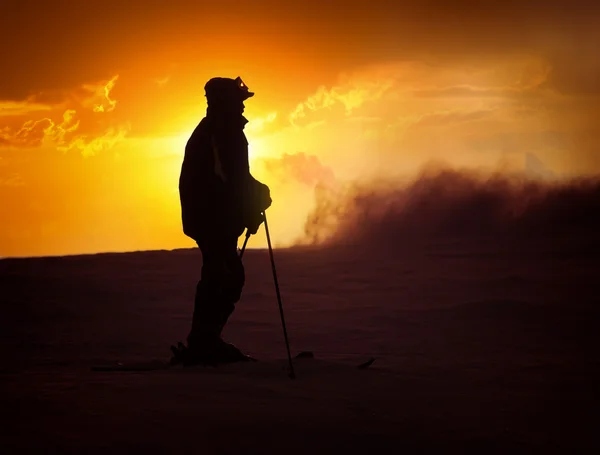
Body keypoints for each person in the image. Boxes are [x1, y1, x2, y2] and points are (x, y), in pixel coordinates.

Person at [172, 76, 272, 366]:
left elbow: (236, 179)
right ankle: (204, 344)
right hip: (212, 219)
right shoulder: (222, 132)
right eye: (239, 101)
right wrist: (250, 203)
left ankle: (204, 341)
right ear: (226, 102)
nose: (243, 107)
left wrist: (256, 195)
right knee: (222, 276)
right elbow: (231, 181)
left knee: (222, 275)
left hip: (215, 217)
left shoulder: (221, 130)